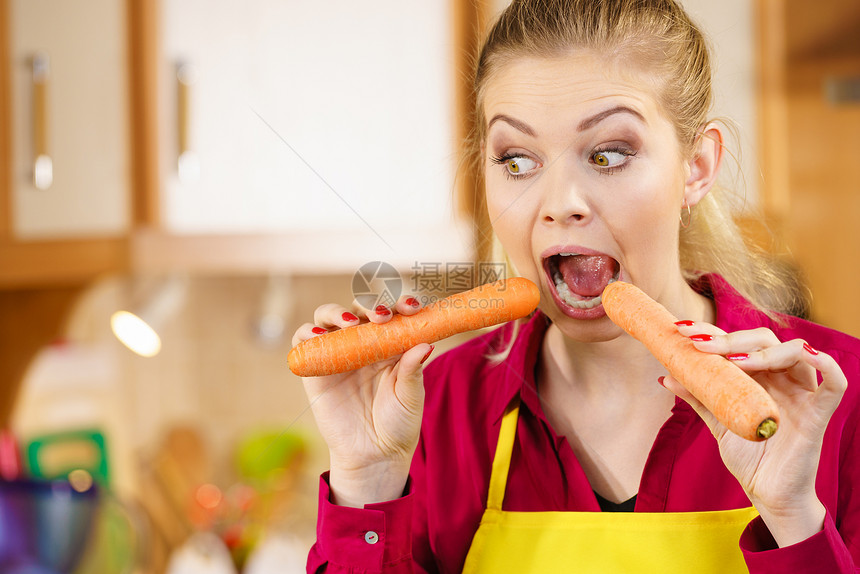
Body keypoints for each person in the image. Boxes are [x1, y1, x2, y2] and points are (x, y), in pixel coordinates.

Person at [294, 0, 860, 571]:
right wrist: (367, 481)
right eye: (517, 160)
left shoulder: (836, 396)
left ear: (697, 167)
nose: (561, 204)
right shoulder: (436, 408)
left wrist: (793, 519)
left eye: (609, 154)